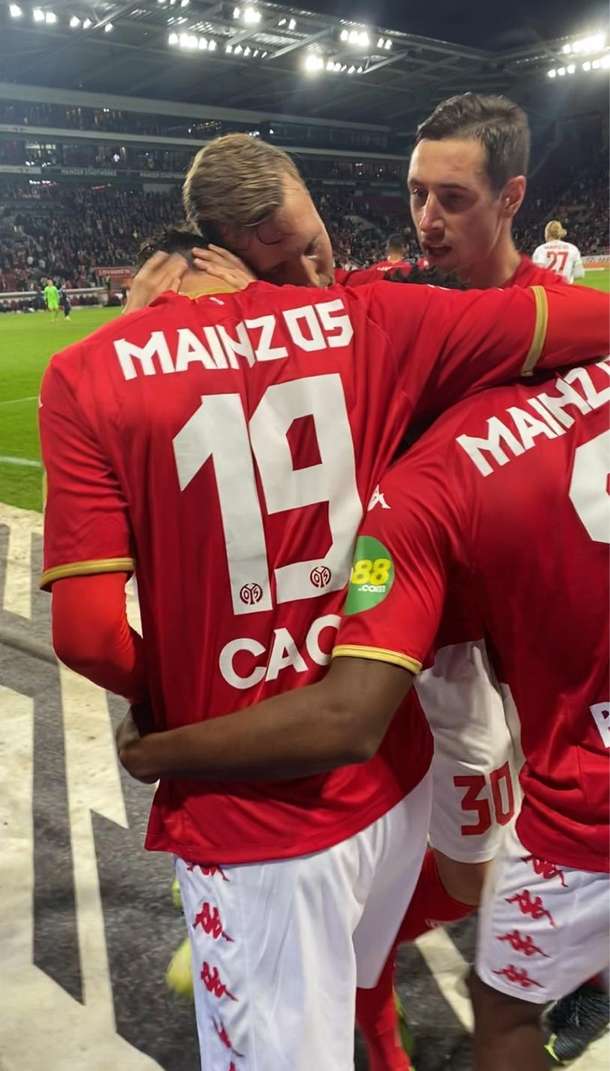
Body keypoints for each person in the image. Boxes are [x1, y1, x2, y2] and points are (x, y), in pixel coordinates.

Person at [40, 216, 608, 1071]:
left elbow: (88, 635)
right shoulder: (370, 320)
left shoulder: (91, 370)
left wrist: (166, 708)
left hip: (257, 813)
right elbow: (585, 322)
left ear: (163, 272)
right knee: (385, 959)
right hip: (396, 770)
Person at [532, 220, 586, 285]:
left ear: (547, 233)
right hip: (565, 288)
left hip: (548, 288)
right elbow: (579, 274)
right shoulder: (572, 248)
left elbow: (536, 274)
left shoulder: (540, 249)